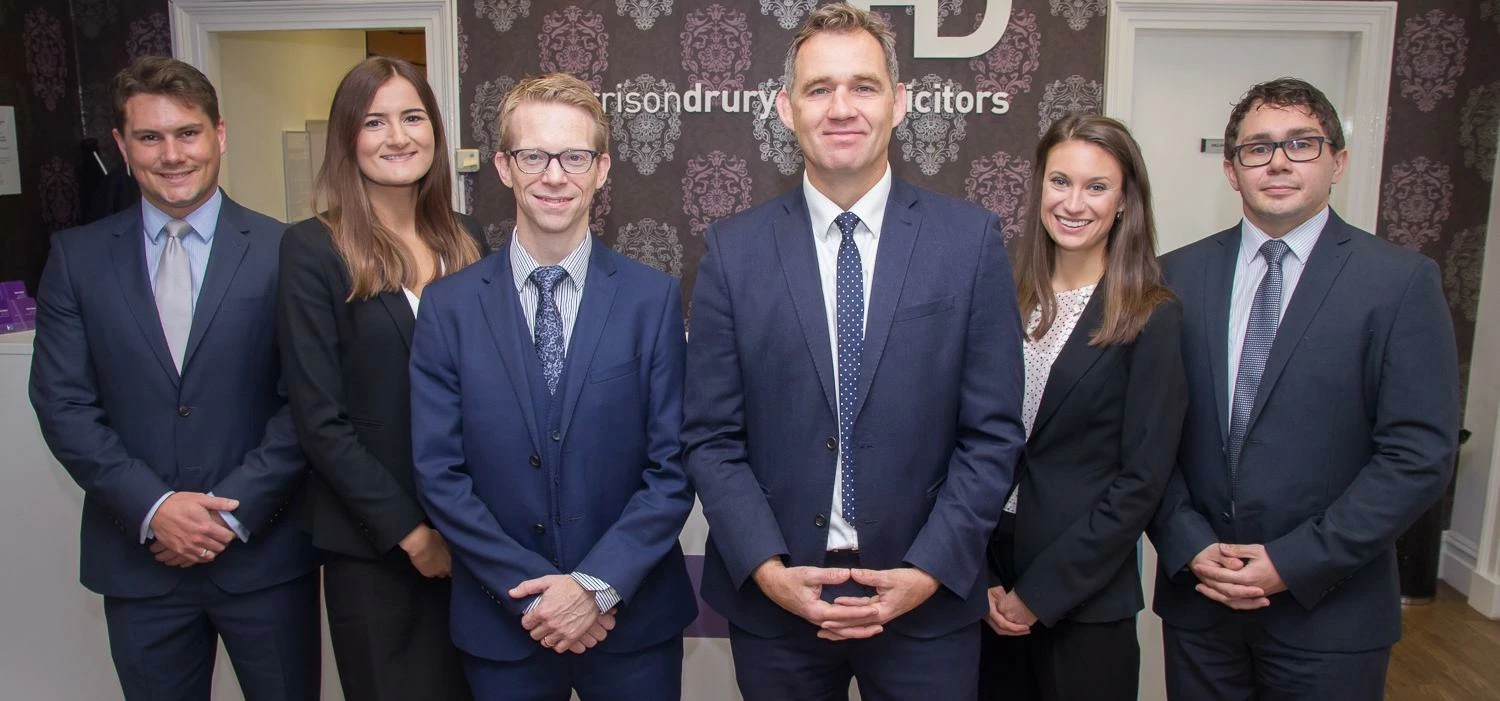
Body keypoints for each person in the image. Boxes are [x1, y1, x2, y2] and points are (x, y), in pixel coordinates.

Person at [681, 4, 1027, 698]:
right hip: (779, 609)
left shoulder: (969, 242)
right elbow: (711, 437)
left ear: (899, 102)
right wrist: (770, 570)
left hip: (925, 605)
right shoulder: (732, 250)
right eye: (819, 88)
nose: (842, 107)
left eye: (864, 86)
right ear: (785, 108)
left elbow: (991, 435)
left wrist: (929, 568)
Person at [1148, 77, 1460, 699]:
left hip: (1331, 614)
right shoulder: (1174, 277)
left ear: (1338, 161)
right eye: (1257, 148)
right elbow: (1148, 436)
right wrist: (1188, 542)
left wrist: (1292, 563)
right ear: (1233, 171)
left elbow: (1418, 454)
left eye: (1302, 143)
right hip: (1202, 607)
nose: (1279, 161)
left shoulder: (1399, 283)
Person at [28, 56, 318, 700]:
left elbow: (309, 401)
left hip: (262, 556)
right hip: (139, 564)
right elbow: (62, 404)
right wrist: (156, 509)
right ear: (121, 145)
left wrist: (226, 515)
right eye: (150, 137)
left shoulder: (288, 251)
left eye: (187, 133)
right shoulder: (76, 260)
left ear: (220, 134)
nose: (171, 154)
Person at [408, 72, 697, 700]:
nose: (554, 175)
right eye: (534, 156)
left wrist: (593, 588)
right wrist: (540, 597)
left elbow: (672, 468)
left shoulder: (651, 300)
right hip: (503, 622)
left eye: (575, 156)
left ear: (602, 169)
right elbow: (440, 474)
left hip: (631, 622)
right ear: (505, 167)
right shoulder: (448, 308)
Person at [276, 56, 485, 701]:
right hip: (376, 551)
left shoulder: (468, 240)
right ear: (347, 138)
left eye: (413, 117)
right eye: (375, 121)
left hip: (474, 543)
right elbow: (320, 420)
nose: (398, 136)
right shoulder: (313, 250)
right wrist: (411, 533)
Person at [977, 114, 1186, 701]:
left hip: (1083, 592)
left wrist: (1038, 595)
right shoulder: (999, 298)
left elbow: (1142, 481)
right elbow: (963, 442)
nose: (1074, 202)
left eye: (1096, 187)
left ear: (1124, 202)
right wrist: (987, 580)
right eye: (1059, 181)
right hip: (985, 581)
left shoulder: (1151, 315)